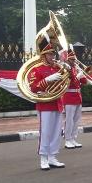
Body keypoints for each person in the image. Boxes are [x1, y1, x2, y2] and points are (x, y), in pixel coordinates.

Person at [29, 32, 66, 170]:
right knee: (46, 132)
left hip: (57, 103)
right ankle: (43, 157)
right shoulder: (36, 69)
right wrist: (47, 80)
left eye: (53, 54)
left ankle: (52, 156)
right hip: (45, 105)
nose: (53, 57)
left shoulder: (57, 68)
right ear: (44, 55)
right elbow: (33, 87)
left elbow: (66, 83)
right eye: (50, 54)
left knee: (57, 131)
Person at [62, 46, 87, 149]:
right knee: (69, 119)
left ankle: (73, 138)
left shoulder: (75, 69)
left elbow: (84, 82)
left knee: (76, 119)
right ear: (68, 59)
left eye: (74, 59)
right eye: (72, 59)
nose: (74, 61)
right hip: (69, 97)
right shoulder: (66, 69)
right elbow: (68, 83)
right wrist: (77, 76)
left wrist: (82, 74)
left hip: (77, 96)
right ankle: (67, 139)